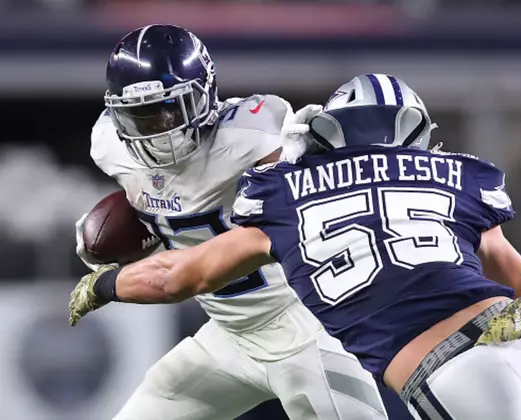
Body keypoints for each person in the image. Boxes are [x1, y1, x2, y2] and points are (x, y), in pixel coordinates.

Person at [71, 73, 521, 420]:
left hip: (350, 341)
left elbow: (181, 277)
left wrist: (104, 284)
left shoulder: (287, 189)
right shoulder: (456, 174)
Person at [74, 26, 388, 420]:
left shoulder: (254, 134)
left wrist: (310, 160)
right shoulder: (111, 146)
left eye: (171, 107)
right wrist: (142, 226)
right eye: (142, 116)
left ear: (206, 94)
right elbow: (171, 215)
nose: (160, 128)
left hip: (306, 325)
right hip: (229, 334)